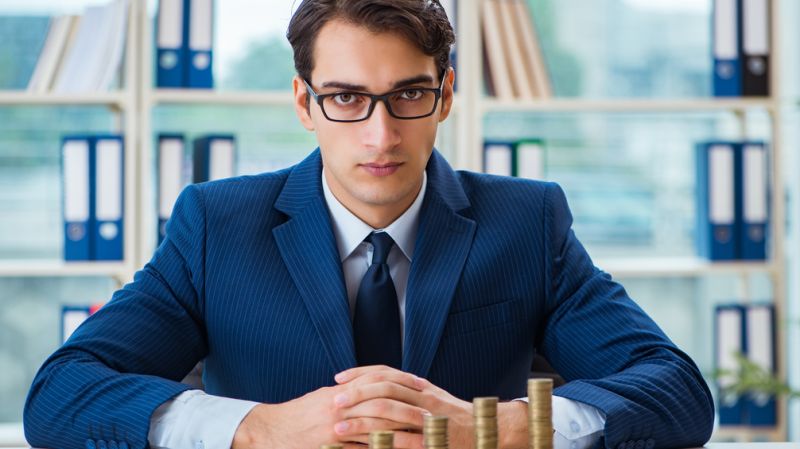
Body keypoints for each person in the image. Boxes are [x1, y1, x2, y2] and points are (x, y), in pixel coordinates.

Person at [24, 1, 714, 449]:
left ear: (445, 96)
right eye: (347, 97)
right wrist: (257, 427)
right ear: (305, 102)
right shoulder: (217, 224)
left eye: (409, 94)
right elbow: (62, 393)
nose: (380, 134)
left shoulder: (525, 222)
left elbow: (675, 388)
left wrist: (503, 426)